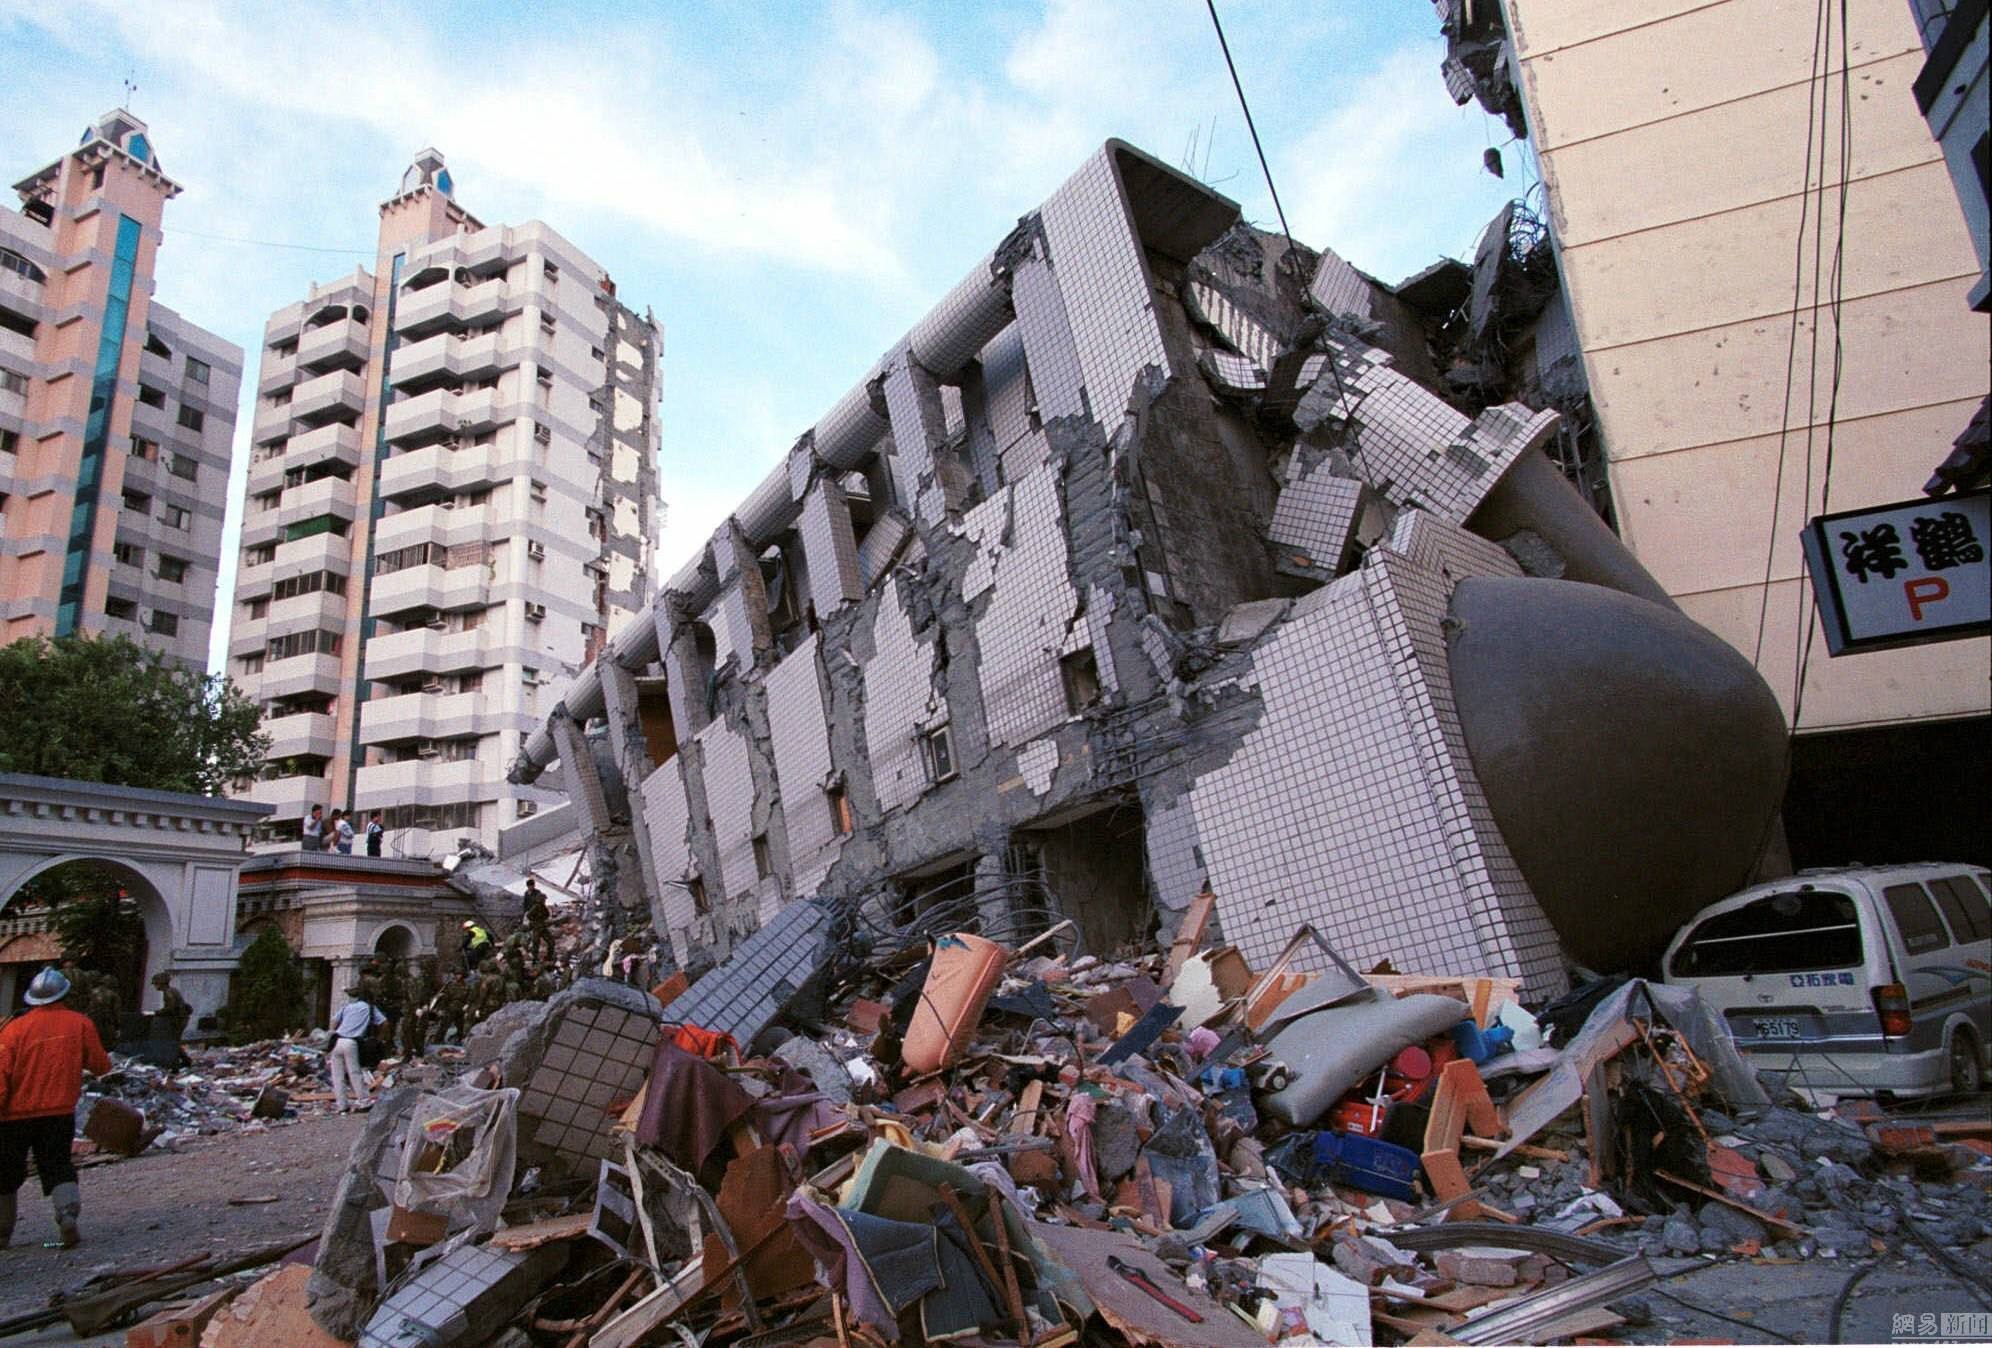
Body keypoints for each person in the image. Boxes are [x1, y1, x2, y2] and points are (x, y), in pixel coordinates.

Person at [0, 968, 111, 1249]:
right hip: (59, 1112)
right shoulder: (80, 1023)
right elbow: (101, 1065)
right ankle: (67, 1215)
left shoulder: (13, 1029)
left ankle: (2, 1232)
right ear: (65, 993)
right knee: (58, 1165)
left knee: (5, 1174)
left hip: (14, 1115)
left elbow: (1, 1074)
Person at [327, 985, 385, 1113]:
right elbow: (384, 1022)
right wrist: (379, 1038)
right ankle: (364, 1102)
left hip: (337, 1041)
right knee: (354, 1073)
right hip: (351, 1042)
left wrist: (333, 1032)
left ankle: (342, 1105)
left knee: (337, 1076)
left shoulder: (347, 1007)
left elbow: (334, 1022)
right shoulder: (370, 1008)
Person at [150, 971, 192, 1043]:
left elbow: (171, 1007)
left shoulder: (168, 992)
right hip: (180, 1019)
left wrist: (156, 1012)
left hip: (178, 1020)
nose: (155, 986)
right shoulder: (173, 990)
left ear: (161, 984)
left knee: (172, 1041)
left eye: (156, 984)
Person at [522, 878, 554, 964]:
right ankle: (534, 959)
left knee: (551, 941)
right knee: (535, 943)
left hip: (542, 927)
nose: (544, 901)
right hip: (536, 927)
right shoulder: (535, 906)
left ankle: (549, 957)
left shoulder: (541, 903)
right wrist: (535, 921)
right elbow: (528, 914)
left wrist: (541, 919)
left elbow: (547, 914)